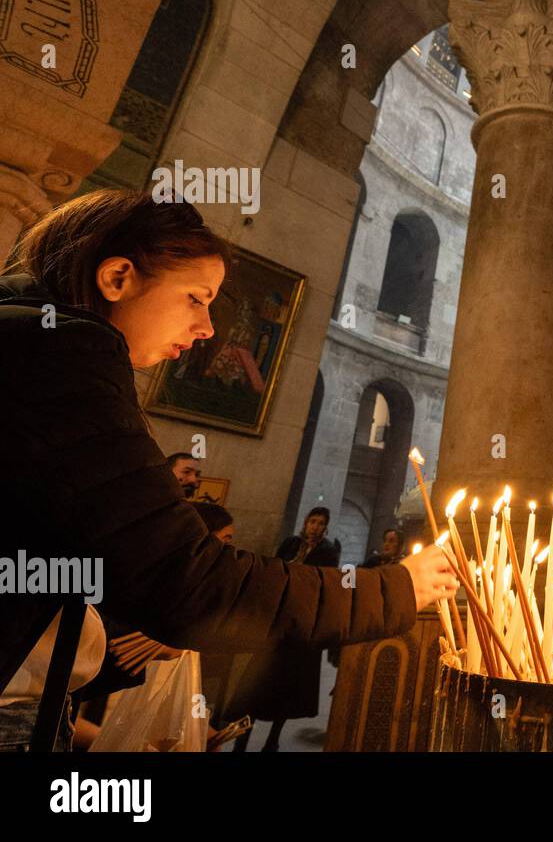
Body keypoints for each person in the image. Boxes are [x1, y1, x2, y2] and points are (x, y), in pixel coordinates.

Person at [0, 191, 458, 750]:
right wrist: (397, 587)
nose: (208, 328)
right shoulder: (64, 356)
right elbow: (191, 583)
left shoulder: (30, 340)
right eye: (196, 298)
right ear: (118, 277)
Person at [226, 508, 341, 752]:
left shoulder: (328, 551)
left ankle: (272, 740)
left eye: (321, 523)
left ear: (326, 527)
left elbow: (323, 583)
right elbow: (273, 570)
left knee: (287, 688)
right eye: (312, 521)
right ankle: (241, 740)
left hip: (301, 627)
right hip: (276, 624)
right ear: (305, 522)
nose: (315, 527)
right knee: (256, 684)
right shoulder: (290, 544)